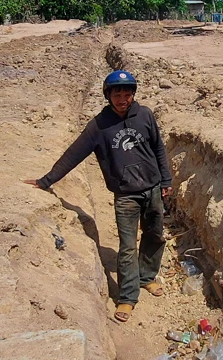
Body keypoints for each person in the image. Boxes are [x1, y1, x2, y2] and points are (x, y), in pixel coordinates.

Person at [24, 70, 172, 322]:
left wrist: (166, 179)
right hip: (126, 196)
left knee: (155, 236)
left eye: (127, 93)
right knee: (127, 247)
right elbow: (74, 154)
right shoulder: (98, 126)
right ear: (108, 95)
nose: (123, 99)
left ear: (133, 94)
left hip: (153, 189)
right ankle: (127, 297)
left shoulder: (145, 115)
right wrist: (45, 181)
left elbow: (158, 146)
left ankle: (147, 277)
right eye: (117, 94)